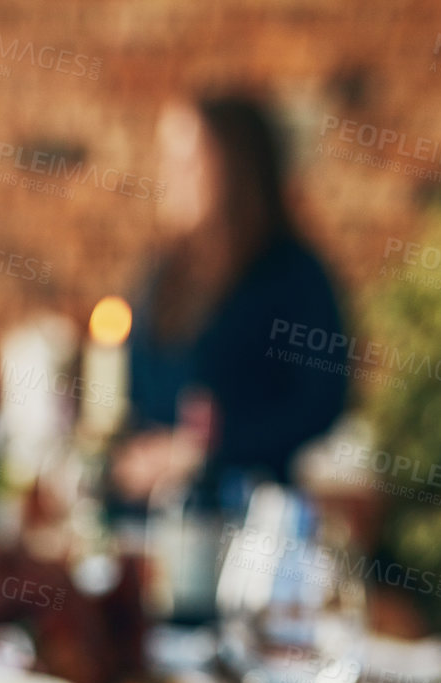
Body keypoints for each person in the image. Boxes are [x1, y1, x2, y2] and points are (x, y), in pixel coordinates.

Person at [113, 94, 347, 511]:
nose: (170, 177)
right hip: (156, 516)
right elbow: (136, 391)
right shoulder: (165, 275)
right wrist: (141, 454)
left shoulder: (293, 275)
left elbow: (320, 404)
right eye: (167, 160)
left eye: (189, 162)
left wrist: (206, 450)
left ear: (235, 168)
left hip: (253, 520)